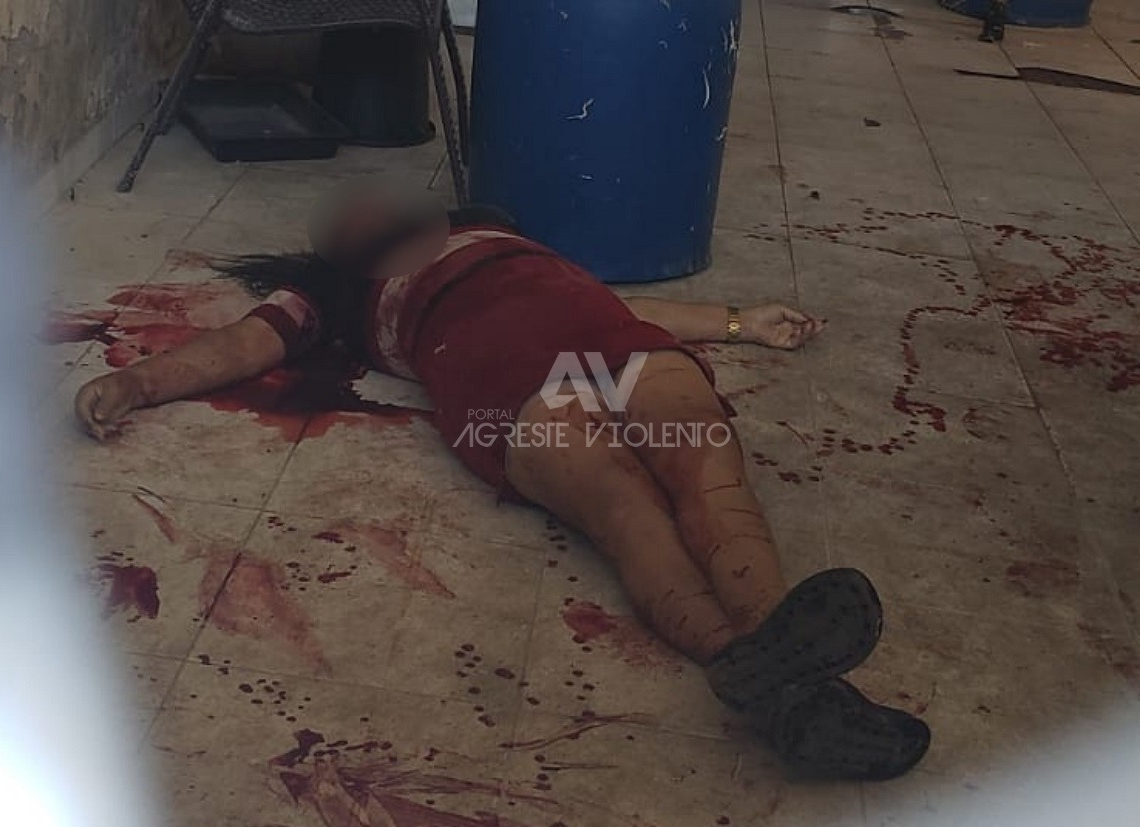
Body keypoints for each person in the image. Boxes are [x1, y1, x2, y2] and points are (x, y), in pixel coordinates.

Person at [74, 190, 929, 781]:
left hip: (612, 340)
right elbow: (239, 346)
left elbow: (624, 306)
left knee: (709, 477)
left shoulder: (501, 237)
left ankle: (785, 674)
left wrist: (743, 322)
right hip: (503, 378)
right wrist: (138, 384)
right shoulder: (331, 297)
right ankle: (752, 662)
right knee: (626, 506)